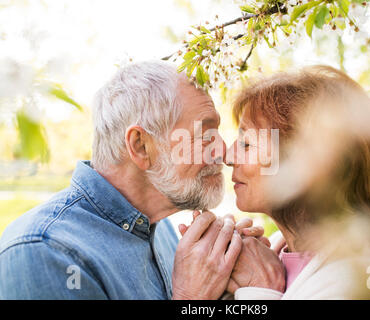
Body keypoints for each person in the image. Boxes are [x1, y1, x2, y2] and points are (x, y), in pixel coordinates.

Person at [0, 60, 284, 299]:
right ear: (140, 146)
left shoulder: (163, 231)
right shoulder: (45, 252)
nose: (223, 151)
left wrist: (237, 285)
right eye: (204, 135)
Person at [222, 65, 370, 299]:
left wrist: (259, 289)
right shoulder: (274, 252)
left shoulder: (368, 277)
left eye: (247, 144)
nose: (228, 157)